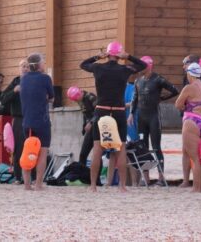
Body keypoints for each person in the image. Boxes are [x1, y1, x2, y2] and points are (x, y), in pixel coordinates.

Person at [80, 41, 147, 192]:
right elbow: (143, 65)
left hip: (101, 110)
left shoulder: (98, 67)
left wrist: (98, 56)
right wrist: (128, 56)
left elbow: (83, 64)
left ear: (108, 54)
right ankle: (122, 186)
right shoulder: (125, 69)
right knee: (120, 148)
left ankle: (92, 186)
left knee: (97, 148)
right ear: (118, 55)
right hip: (118, 111)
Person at [129, 56, 179, 185]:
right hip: (141, 117)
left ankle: (161, 178)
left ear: (149, 66)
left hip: (153, 117)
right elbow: (135, 99)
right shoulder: (137, 81)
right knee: (142, 148)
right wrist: (131, 114)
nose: (140, 69)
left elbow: (175, 90)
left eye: (142, 66)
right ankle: (146, 179)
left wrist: (161, 98)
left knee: (156, 147)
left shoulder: (157, 79)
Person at [174, 61, 201, 193]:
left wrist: (185, 106)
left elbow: (178, 104)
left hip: (192, 121)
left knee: (195, 157)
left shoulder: (189, 88)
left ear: (190, 75)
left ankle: (196, 188)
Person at [19, 52, 54, 191]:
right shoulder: (45, 78)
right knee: (42, 152)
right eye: (43, 62)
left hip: (27, 121)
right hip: (42, 120)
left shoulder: (23, 79)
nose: (45, 64)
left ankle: (27, 184)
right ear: (39, 65)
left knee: (27, 151)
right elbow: (51, 98)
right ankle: (39, 184)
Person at [0, 60, 29, 183]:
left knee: (31, 146)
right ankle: (18, 176)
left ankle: (30, 175)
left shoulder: (34, 81)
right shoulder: (16, 81)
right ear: (19, 68)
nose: (25, 68)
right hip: (18, 118)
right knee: (18, 148)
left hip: (31, 117)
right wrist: (14, 91)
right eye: (23, 66)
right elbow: (3, 98)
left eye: (27, 66)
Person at [66, 86, 97, 163]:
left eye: (76, 100)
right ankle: (81, 173)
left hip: (98, 127)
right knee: (83, 154)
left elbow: (99, 112)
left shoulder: (90, 97)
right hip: (90, 128)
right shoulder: (80, 100)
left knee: (97, 155)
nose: (76, 102)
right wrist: (84, 127)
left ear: (79, 94)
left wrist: (91, 122)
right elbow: (85, 114)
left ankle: (96, 175)